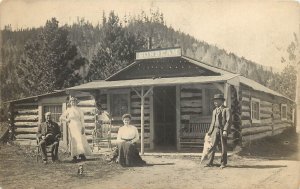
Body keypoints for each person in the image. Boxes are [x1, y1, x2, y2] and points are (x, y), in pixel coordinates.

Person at [60, 97, 92, 162]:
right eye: (72, 101)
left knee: (80, 139)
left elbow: (82, 119)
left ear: (76, 102)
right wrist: (67, 120)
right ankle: (74, 155)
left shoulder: (79, 110)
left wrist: (83, 127)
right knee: (74, 140)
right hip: (72, 126)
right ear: (70, 102)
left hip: (78, 125)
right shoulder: (68, 110)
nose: (73, 103)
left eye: (74, 101)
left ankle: (81, 154)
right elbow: (61, 117)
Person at [205, 94, 231, 169]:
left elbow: (228, 121)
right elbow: (212, 122)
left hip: (222, 130)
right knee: (212, 146)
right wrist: (209, 132)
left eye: (217, 100)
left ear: (221, 101)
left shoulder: (227, 110)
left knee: (223, 147)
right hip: (215, 130)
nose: (215, 102)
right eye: (214, 101)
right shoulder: (214, 111)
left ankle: (223, 163)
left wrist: (225, 130)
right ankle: (209, 162)